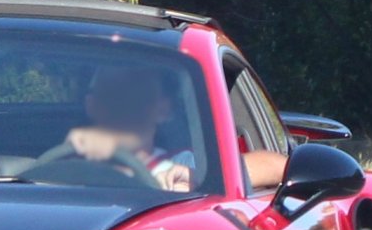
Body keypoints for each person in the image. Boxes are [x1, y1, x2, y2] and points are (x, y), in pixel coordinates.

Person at [62, 65, 286, 191]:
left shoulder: (187, 165)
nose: (119, 103)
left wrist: (199, 178)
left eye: (135, 93)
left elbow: (279, 166)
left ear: (163, 110)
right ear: (91, 105)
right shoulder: (61, 166)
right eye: (107, 93)